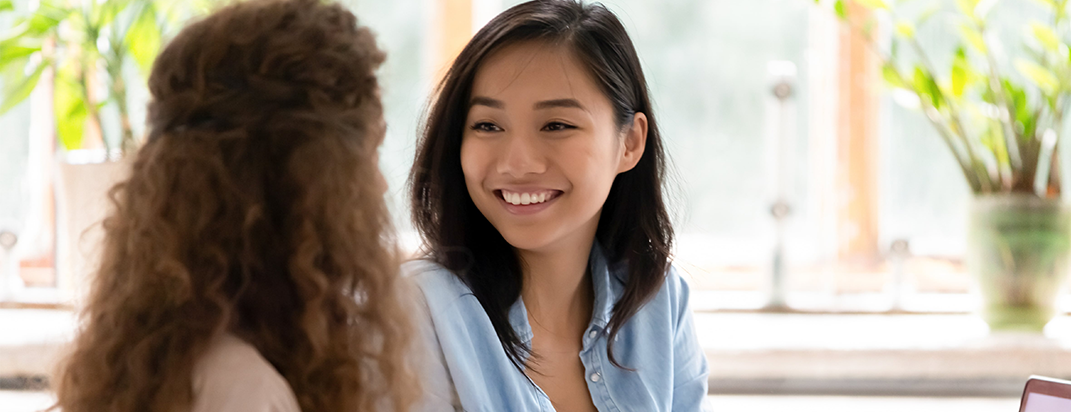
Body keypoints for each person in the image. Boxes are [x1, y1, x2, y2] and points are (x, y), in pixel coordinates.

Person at [52, 1, 418, 411]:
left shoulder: (169, 363)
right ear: (305, 183)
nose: (380, 183)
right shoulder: (244, 392)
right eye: (369, 153)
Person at [406, 1, 712, 411]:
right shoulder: (416, 309)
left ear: (630, 143)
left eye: (557, 126)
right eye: (488, 126)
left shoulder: (660, 302)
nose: (517, 163)